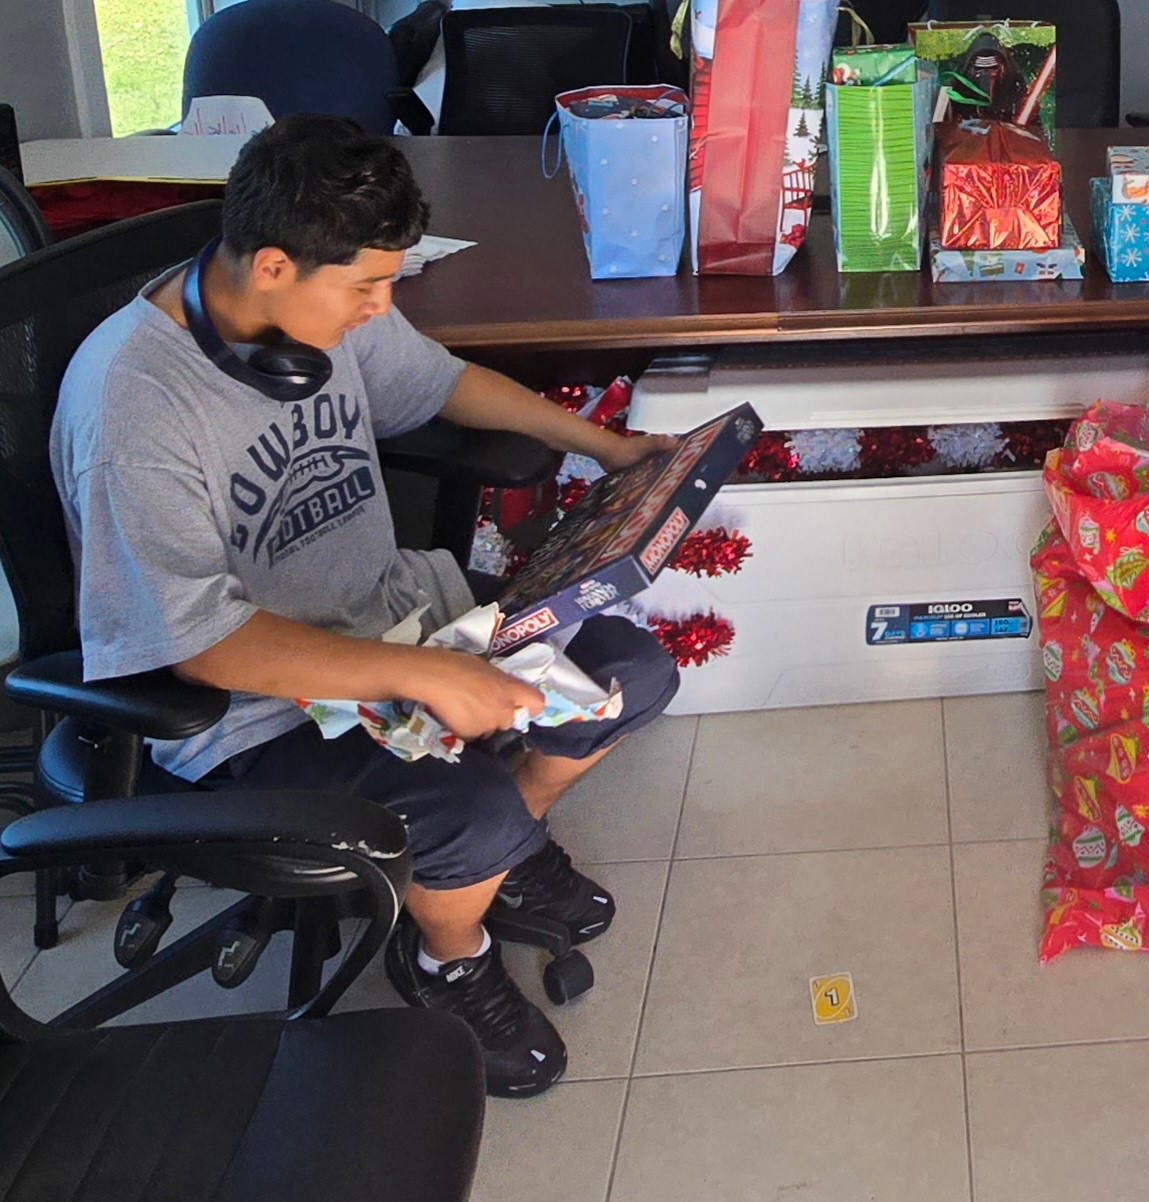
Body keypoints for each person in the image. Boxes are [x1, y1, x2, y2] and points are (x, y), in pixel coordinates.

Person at [51, 115, 682, 1095]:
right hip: (253, 707)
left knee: (630, 674)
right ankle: (446, 955)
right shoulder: (133, 407)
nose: (382, 307)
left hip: (393, 612)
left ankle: (492, 852)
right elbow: (202, 645)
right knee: (469, 812)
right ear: (272, 266)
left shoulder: (320, 303)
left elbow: (441, 382)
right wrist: (425, 674)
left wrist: (604, 447)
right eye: (366, 288)